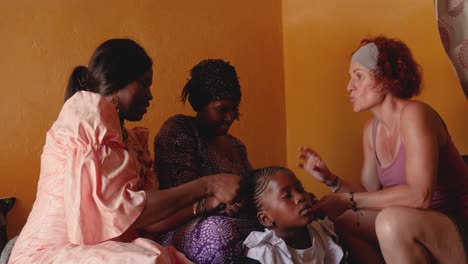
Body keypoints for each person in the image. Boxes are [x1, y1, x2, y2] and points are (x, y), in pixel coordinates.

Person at [8, 39, 242, 264]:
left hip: (104, 246)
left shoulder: (128, 141)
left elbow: (146, 222)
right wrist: (208, 184)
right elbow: (123, 209)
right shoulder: (87, 118)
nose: (150, 95)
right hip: (54, 252)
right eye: (144, 83)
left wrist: (204, 205)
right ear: (117, 82)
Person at [298, 36, 468, 263]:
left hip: (457, 224)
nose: (349, 86)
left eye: (358, 76)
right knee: (346, 221)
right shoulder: (371, 130)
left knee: (390, 221)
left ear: (384, 78)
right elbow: (369, 195)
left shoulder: (416, 114)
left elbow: (420, 196)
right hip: (413, 223)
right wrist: (331, 180)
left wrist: (349, 200)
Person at [153, 59, 261, 264]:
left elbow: (252, 188)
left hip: (236, 219)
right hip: (184, 224)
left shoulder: (237, 146)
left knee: (289, 222)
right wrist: (218, 204)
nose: (230, 117)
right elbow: (181, 194)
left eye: (234, 109)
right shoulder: (180, 131)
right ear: (200, 104)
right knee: (220, 233)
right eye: (221, 109)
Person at [243, 166, 345, 264]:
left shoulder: (318, 231)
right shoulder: (263, 253)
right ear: (266, 219)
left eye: (300, 189)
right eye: (287, 196)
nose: (301, 196)